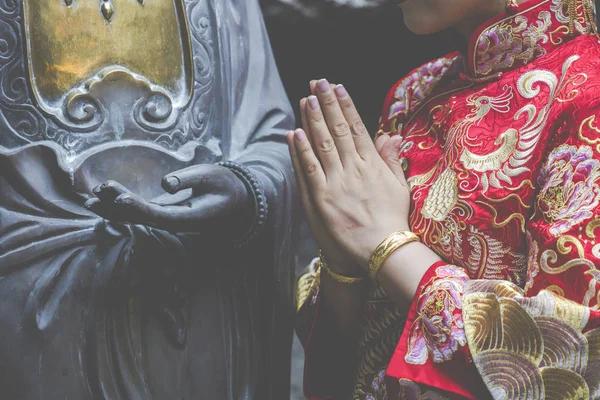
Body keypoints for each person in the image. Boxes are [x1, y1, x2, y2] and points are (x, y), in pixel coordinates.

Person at [292, 0, 600, 398]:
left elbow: (576, 352)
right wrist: (342, 258)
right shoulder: (414, 92)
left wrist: (390, 247)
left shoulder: (587, 96)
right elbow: (354, 350)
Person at [0, 0, 296, 398]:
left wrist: (246, 187)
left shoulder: (227, 8)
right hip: (29, 315)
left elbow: (272, 139)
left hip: (200, 297)